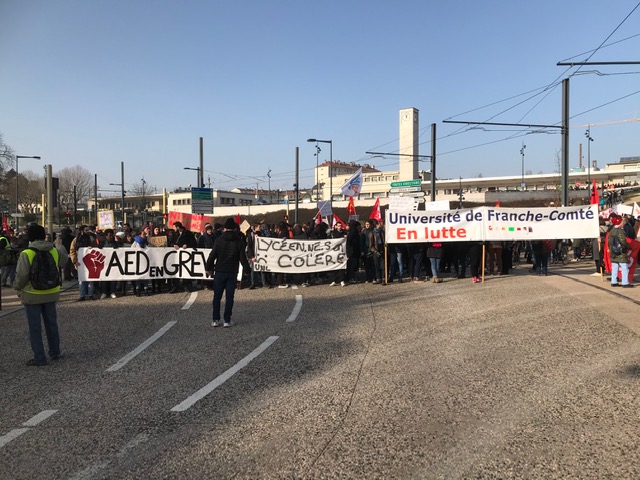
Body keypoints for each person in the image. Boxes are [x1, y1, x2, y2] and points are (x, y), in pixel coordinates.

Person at [15, 223, 68, 366]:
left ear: (30, 237)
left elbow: (22, 276)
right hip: (51, 292)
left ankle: (39, 357)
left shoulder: (27, 253)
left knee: (35, 327)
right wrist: (58, 245)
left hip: (32, 293)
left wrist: (18, 288)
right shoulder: (54, 250)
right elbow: (64, 261)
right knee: (51, 323)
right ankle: (55, 351)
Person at [205, 218, 250, 328]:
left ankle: (215, 319)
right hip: (232, 271)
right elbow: (243, 258)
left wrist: (208, 268)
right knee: (229, 297)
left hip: (220, 271)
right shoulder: (238, 241)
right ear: (235, 229)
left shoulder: (219, 240)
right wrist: (247, 270)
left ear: (225, 228)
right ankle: (227, 320)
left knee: (217, 297)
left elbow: (212, 255)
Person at [609, 214, 633, 288]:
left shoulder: (612, 230)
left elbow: (609, 242)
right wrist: (629, 247)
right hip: (620, 252)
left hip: (613, 251)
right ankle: (625, 282)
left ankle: (614, 281)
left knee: (615, 267)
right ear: (619, 222)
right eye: (622, 221)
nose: (623, 223)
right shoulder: (620, 231)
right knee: (624, 267)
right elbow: (623, 241)